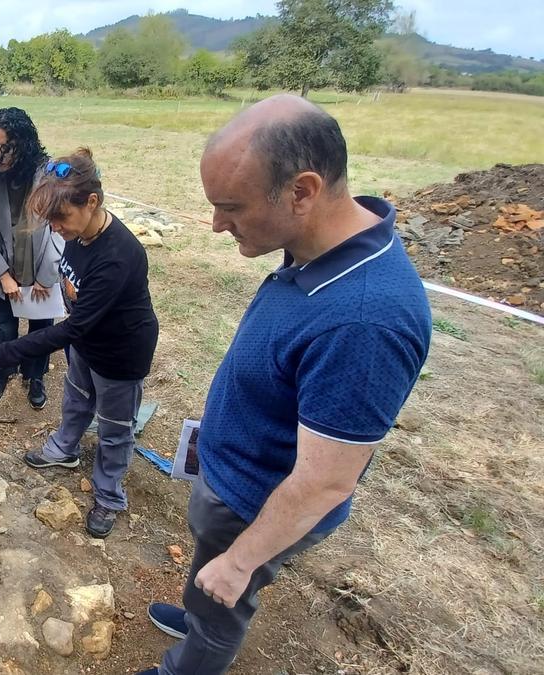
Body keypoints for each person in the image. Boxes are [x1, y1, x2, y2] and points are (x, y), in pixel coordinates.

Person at [135, 95, 432, 675]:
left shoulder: (365, 319)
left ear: (302, 191)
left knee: (225, 597)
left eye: (231, 207)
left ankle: (192, 658)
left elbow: (324, 483)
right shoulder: (315, 249)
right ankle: (201, 607)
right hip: (235, 482)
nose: (217, 224)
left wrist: (241, 561)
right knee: (210, 569)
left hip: (254, 505)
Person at [0, 148, 159, 538]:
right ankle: (65, 448)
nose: (55, 227)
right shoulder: (79, 233)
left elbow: (71, 330)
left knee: (114, 427)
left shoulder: (119, 256)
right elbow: (76, 316)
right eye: (52, 219)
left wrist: (6, 352)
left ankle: (109, 495)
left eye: (61, 218)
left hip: (120, 354)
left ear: (91, 202)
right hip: (87, 343)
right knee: (76, 399)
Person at [0, 107, 64, 409]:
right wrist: (3, 274)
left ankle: (35, 376)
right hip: (3, 269)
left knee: (41, 328)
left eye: (5, 148)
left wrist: (46, 275)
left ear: (22, 144)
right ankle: (2, 371)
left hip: (40, 269)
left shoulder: (47, 176)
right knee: (3, 326)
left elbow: (60, 228)